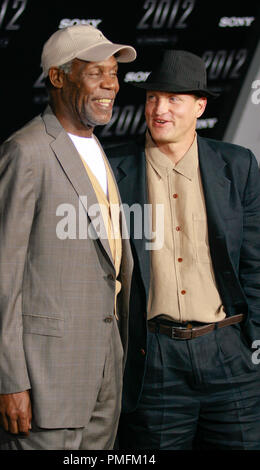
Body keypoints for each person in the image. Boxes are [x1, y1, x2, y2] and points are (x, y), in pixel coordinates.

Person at [0, 24, 136, 450]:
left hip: (102, 375)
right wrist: (8, 381)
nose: (110, 84)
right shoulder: (24, 153)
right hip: (43, 383)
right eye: (95, 71)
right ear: (59, 77)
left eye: (114, 73)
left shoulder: (98, 150)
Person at [108, 49, 260, 450]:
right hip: (154, 357)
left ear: (200, 106)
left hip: (230, 352)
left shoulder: (237, 165)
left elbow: (255, 263)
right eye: (153, 97)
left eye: (174, 99)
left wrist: (252, 342)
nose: (160, 109)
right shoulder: (112, 170)